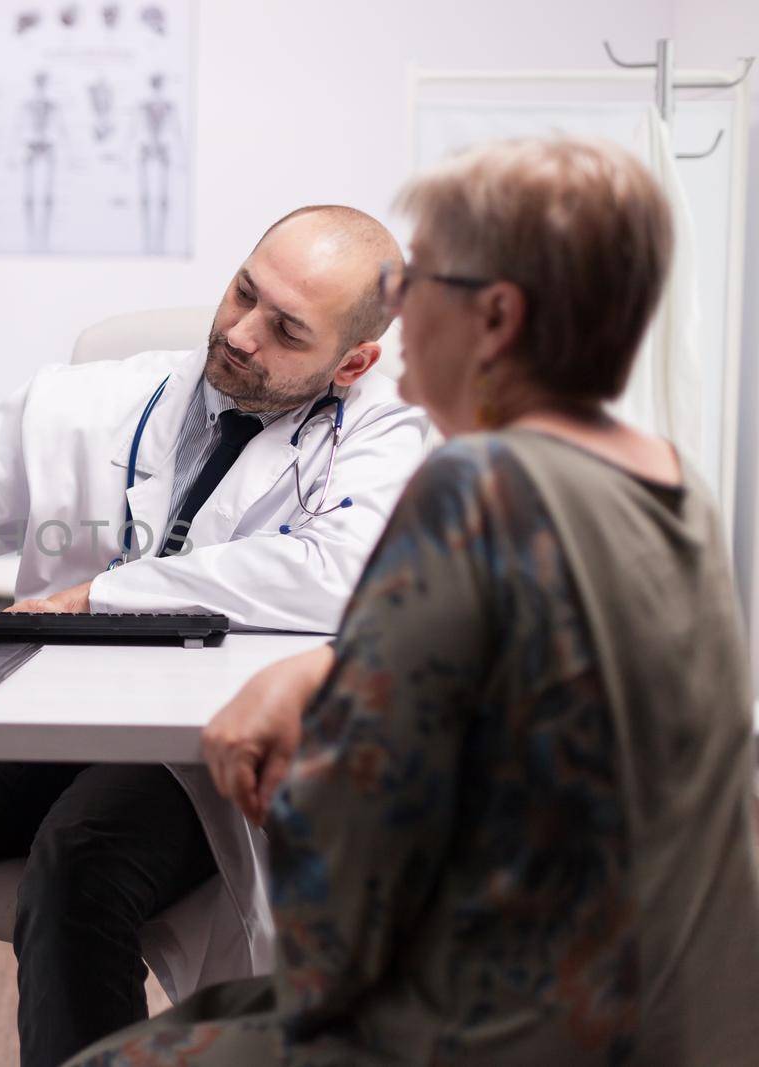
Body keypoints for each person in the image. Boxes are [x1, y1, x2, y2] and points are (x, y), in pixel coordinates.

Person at [68, 137, 759, 1066]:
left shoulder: (474, 488)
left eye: (418, 282)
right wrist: (331, 668)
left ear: (498, 317)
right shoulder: (672, 488)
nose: (390, 321)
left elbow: (335, 906)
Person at [0, 206, 433, 1067]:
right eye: (243, 292)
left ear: (352, 362)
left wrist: (104, 596)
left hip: (184, 752)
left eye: (287, 328)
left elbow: (341, 573)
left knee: (77, 872)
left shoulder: (383, 436)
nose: (242, 333)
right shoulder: (89, 396)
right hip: (33, 708)